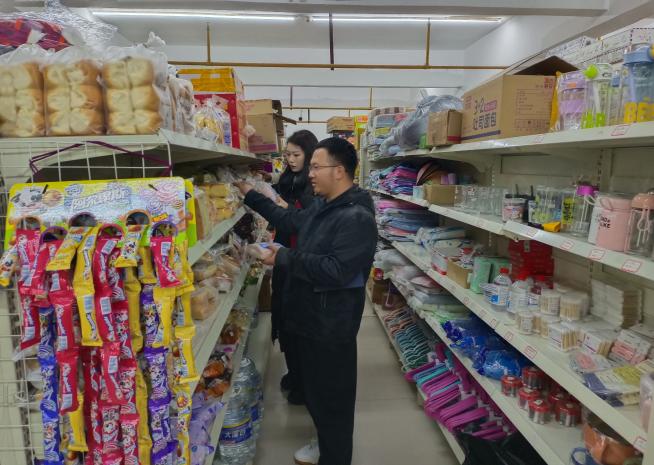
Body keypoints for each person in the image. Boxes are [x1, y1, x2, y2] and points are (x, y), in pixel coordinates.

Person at [236, 137, 377, 465]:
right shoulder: (324, 205)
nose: (310, 173)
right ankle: (323, 442)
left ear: (339, 171)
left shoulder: (356, 217)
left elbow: (337, 271)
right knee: (317, 394)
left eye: (316, 166)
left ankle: (334, 456)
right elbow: (289, 221)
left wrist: (284, 257)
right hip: (312, 319)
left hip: (331, 327)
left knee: (333, 401)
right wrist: (252, 195)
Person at [272, 129, 318, 405]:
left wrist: (284, 207)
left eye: (296, 154)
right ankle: (293, 372)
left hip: (302, 259)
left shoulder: (314, 185)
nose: (290, 159)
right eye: (287, 154)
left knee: (299, 322)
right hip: (283, 256)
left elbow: (311, 222)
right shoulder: (286, 179)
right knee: (283, 318)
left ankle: (305, 383)